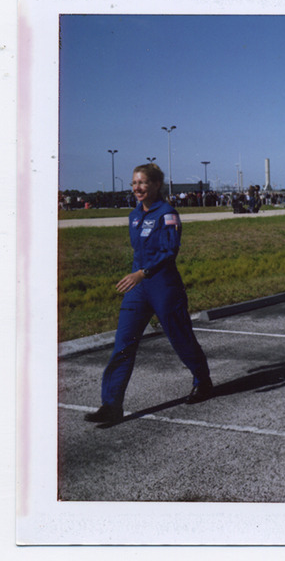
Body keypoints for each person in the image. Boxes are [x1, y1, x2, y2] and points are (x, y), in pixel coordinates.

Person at [85, 163, 213, 424]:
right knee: (123, 343)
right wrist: (138, 276)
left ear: (156, 184)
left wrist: (143, 272)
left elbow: (169, 251)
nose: (137, 187)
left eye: (143, 182)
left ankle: (203, 381)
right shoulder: (134, 215)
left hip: (164, 286)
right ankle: (111, 405)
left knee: (180, 338)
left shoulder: (167, 213)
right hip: (139, 288)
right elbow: (139, 251)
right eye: (134, 183)